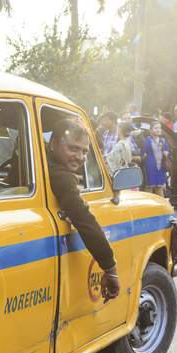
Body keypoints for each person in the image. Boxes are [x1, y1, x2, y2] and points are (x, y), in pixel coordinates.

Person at [47, 118, 120, 302]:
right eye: (73, 148)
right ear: (52, 145)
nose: (80, 157)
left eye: (85, 151)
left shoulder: (37, 164)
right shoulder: (59, 176)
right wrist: (110, 268)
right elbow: (84, 220)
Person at [140, 120, 169, 197]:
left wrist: (166, 153)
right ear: (150, 130)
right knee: (149, 186)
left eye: (159, 128)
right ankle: (147, 205)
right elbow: (142, 153)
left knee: (159, 187)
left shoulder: (163, 140)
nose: (158, 130)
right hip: (150, 166)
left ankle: (162, 206)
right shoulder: (147, 140)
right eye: (155, 128)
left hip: (161, 166)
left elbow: (167, 150)